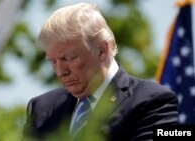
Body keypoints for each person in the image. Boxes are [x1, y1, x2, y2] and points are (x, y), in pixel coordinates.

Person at [22, 2, 178, 141]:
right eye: (53, 61)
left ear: (102, 50)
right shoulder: (41, 109)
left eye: (68, 58)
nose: (60, 71)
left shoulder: (154, 102)